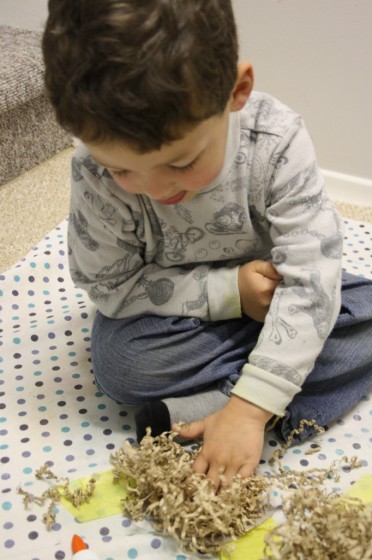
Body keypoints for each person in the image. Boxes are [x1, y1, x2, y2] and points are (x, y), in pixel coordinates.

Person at [42, 0, 372, 487]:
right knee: (120, 363)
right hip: (182, 314)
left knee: (352, 307)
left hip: (277, 290)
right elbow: (110, 286)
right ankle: (267, 391)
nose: (154, 188)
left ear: (236, 91)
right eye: (122, 169)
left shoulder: (275, 141)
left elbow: (310, 279)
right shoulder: (93, 169)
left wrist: (249, 409)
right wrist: (229, 292)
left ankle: (219, 408)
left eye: (180, 162)